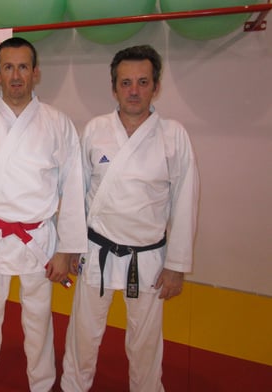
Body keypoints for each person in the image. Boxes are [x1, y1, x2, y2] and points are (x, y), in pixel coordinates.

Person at [0, 37, 88, 392]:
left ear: (36, 73)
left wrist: (66, 249)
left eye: (23, 67)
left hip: (38, 239)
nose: (16, 75)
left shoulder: (58, 123)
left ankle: (42, 385)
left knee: (39, 322)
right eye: (8, 67)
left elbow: (72, 190)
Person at [61, 45, 200, 392]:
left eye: (142, 82)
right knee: (83, 333)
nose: (134, 90)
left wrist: (176, 265)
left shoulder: (173, 135)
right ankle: (74, 386)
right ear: (114, 88)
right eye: (125, 83)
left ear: (156, 87)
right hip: (97, 249)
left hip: (149, 255)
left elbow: (185, 201)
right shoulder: (95, 129)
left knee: (145, 341)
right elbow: (76, 192)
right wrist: (72, 245)